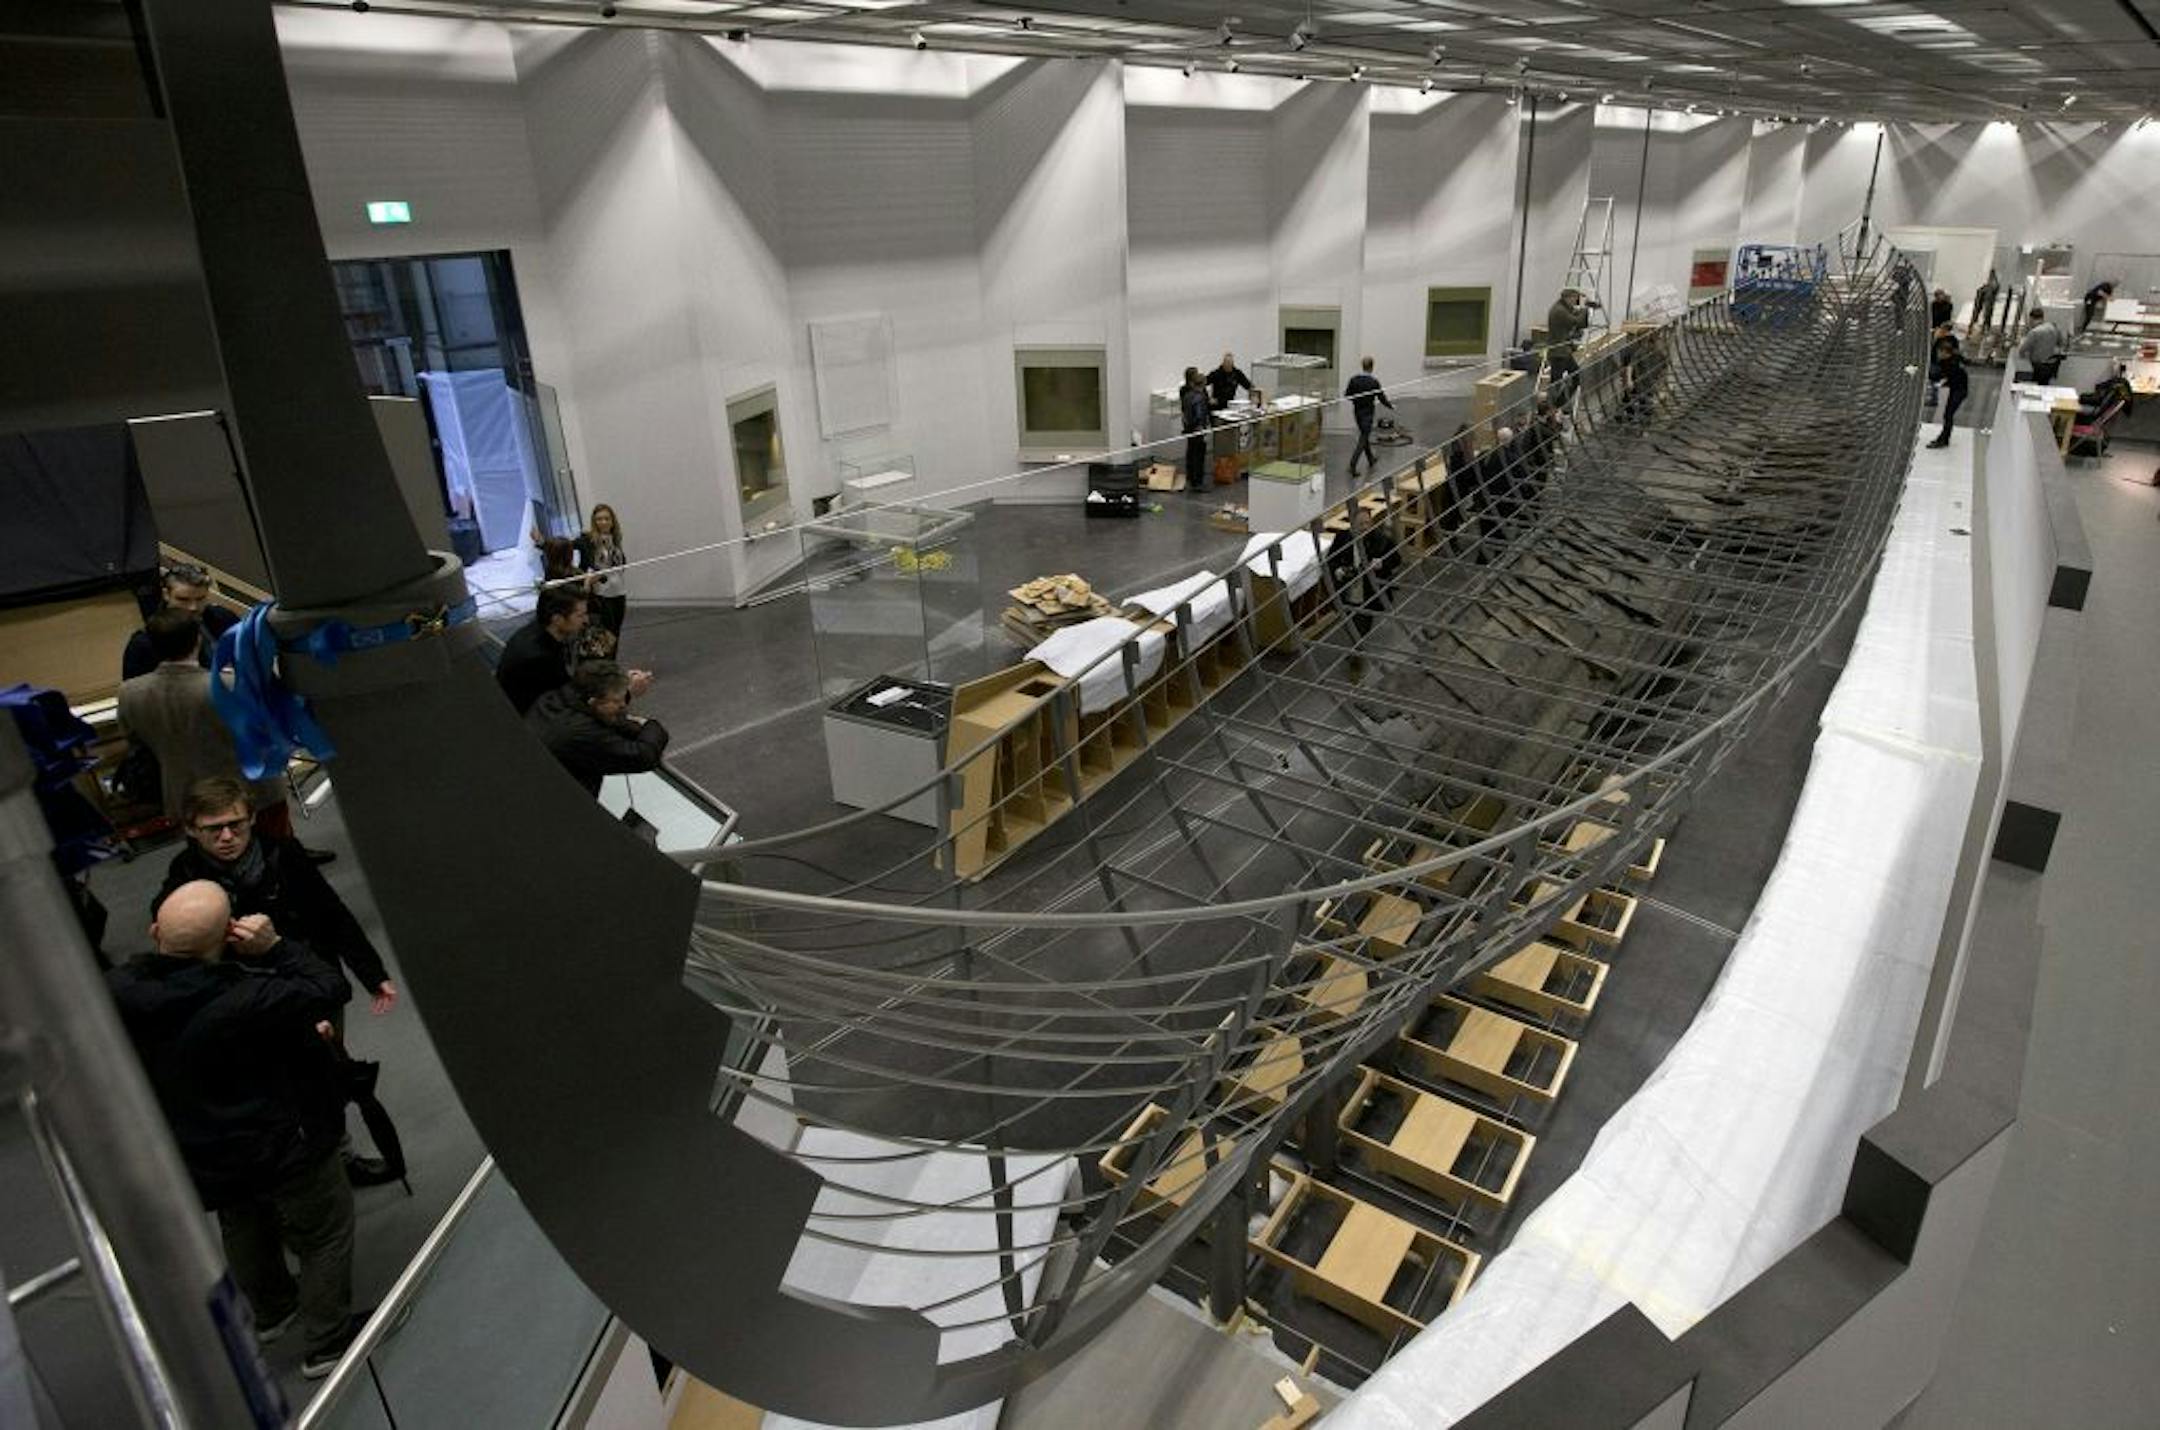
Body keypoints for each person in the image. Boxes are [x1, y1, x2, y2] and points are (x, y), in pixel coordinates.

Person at [107, 881, 359, 1376]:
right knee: (325, 1231)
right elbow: (330, 986)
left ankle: (272, 1309)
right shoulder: (250, 996)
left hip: (202, 1145)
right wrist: (277, 947)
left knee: (242, 1222)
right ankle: (328, 1340)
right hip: (284, 1140)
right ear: (230, 933)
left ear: (155, 930)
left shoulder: (118, 992)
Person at [118, 610, 294, 836]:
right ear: (198, 639)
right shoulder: (230, 684)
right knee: (277, 851)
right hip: (253, 794)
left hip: (190, 799)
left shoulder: (130, 693)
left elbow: (134, 740)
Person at [525, 660, 672, 797]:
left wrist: (624, 694)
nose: (623, 705)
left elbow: (603, 714)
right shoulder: (581, 733)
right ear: (594, 701)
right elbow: (642, 756)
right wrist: (650, 725)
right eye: (617, 701)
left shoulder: (553, 699)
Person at [122, 562, 240, 682]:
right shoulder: (145, 642)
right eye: (183, 599)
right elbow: (136, 688)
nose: (193, 607)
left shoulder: (223, 618)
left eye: (200, 599)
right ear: (166, 595)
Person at [498, 586, 591, 715]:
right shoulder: (541, 659)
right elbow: (564, 698)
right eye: (580, 616)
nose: (586, 620)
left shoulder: (534, 630)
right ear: (557, 619)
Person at [574, 504, 630, 645]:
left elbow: (619, 565)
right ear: (594, 521)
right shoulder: (587, 540)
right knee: (605, 634)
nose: (603, 522)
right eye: (599, 519)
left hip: (619, 592)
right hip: (601, 595)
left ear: (612, 521)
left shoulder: (615, 538)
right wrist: (541, 542)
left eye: (606, 518)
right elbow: (564, 546)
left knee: (615, 633)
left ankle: (611, 659)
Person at [1544, 288, 1600, 399]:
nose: (1576, 302)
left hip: (1563, 351)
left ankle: (1561, 402)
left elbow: (1575, 315)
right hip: (1558, 352)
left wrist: (1588, 307)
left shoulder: (1562, 307)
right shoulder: (1559, 311)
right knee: (1557, 382)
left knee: (1574, 375)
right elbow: (1577, 322)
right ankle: (1555, 404)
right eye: (1575, 298)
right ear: (1568, 298)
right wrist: (1585, 309)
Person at [1344, 357, 1394, 478]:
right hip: (1367, 414)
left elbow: (1347, 395)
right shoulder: (1373, 382)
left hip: (1357, 412)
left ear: (1362, 366)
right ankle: (1352, 464)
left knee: (1364, 435)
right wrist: (1391, 406)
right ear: (1372, 367)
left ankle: (1371, 459)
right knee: (1363, 438)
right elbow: (1381, 398)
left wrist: (1357, 401)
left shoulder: (1354, 380)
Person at [1926, 333, 1968, 449]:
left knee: (1948, 415)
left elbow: (1941, 376)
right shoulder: (1952, 361)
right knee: (1948, 415)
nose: (1939, 355)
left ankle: (1943, 439)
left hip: (1959, 391)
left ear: (1946, 353)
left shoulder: (1951, 363)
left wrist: (1941, 382)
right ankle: (1944, 439)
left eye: (1941, 352)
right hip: (1957, 389)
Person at [1179, 366, 1212, 493]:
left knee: (1191, 452)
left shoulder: (1187, 395)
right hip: (1197, 430)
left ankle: (1191, 478)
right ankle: (1198, 482)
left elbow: (1185, 413)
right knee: (1199, 456)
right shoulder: (1199, 397)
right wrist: (1201, 427)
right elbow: (1199, 414)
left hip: (1189, 428)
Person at [2017, 308, 2066, 386]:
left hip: (2039, 366)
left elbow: (2022, 350)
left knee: (2036, 386)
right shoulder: (2054, 327)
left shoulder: (2034, 332)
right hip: (2053, 364)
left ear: (2032, 319)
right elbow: (2062, 343)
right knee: (2045, 385)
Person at [1972, 269, 2000, 336]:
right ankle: (1982, 326)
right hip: (1987, 299)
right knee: (1985, 312)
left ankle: (1982, 326)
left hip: (1988, 299)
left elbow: (1994, 290)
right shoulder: (1992, 283)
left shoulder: (1991, 283)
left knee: (1985, 313)